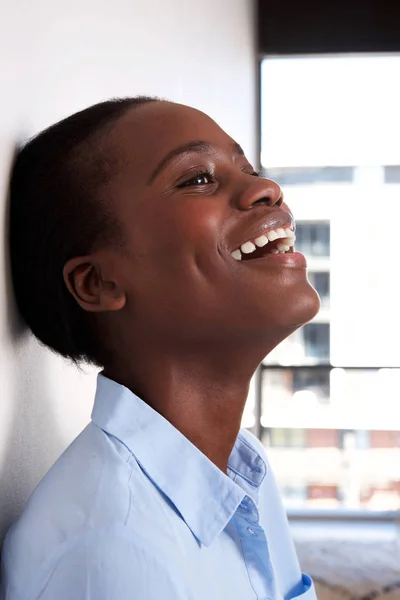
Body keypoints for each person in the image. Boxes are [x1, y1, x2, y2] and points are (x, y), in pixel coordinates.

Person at [1, 97, 320, 600]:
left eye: (248, 168)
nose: (266, 189)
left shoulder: (245, 470)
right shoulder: (113, 552)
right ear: (98, 283)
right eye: (197, 179)